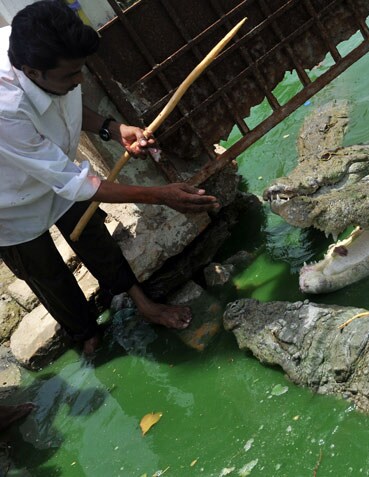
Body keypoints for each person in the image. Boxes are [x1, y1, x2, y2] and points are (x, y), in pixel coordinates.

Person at [0, 0, 221, 355]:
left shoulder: (33, 42)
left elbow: (63, 107)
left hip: (52, 164)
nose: (79, 81)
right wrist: (160, 194)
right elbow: (75, 184)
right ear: (31, 72)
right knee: (45, 271)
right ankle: (84, 333)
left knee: (92, 232)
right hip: (8, 203)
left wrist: (112, 128)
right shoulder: (5, 107)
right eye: (71, 76)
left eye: (81, 71)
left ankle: (143, 303)